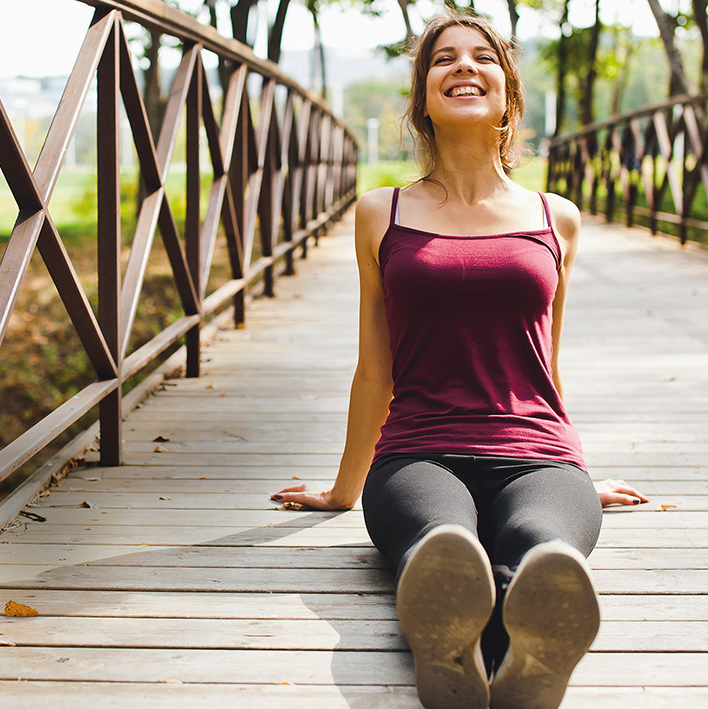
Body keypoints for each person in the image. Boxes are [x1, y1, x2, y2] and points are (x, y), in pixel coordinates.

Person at [270, 12, 648, 709]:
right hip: (419, 453)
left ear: (507, 94)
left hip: (539, 453)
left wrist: (577, 473)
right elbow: (373, 370)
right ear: (422, 99)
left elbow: (546, 365)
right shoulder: (380, 213)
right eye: (444, 59)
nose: (464, 67)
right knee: (441, 545)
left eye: (483, 57)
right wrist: (342, 489)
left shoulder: (554, 216)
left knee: (544, 546)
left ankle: (502, 649)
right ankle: (467, 640)